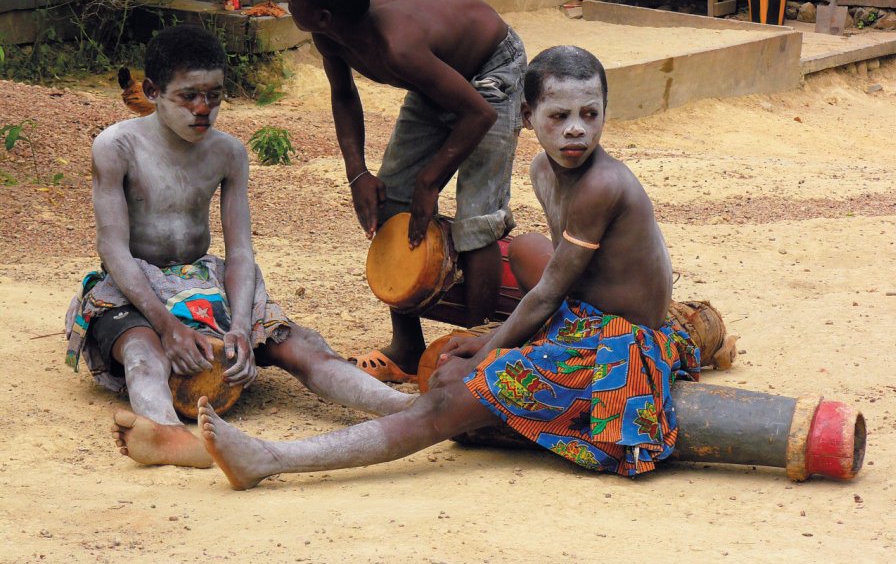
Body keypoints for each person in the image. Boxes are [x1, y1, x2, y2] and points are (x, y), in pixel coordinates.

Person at [197, 46, 701, 490]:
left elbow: (548, 295)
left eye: (591, 114)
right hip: (583, 320)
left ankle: (271, 459)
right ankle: (427, 409)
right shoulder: (544, 168)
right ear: (526, 116)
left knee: (450, 396)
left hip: (623, 344)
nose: (576, 128)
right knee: (496, 299)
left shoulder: (600, 186)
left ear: (606, 113)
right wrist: (496, 341)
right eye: (559, 115)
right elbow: (560, 290)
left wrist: (488, 352)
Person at [64, 25, 415, 469]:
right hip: (133, 282)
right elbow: (113, 250)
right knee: (141, 350)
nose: (203, 109)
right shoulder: (117, 146)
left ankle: (404, 408)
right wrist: (167, 326)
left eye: (214, 95)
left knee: (299, 343)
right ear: (152, 91)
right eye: (188, 96)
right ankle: (166, 433)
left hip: (202, 277)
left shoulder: (228, 153)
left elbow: (241, 253)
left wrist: (242, 327)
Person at [285, 0, 527, 381]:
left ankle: (481, 354)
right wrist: (358, 173)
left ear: (323, 14)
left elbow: (478, 113)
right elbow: (343, 93)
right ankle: (409, 346)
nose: (286, 2)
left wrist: (430, 181)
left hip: (490, 70)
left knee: (477, 220)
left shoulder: (398, 47)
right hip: (436, 78)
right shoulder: (328, 33)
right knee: (392, 202)